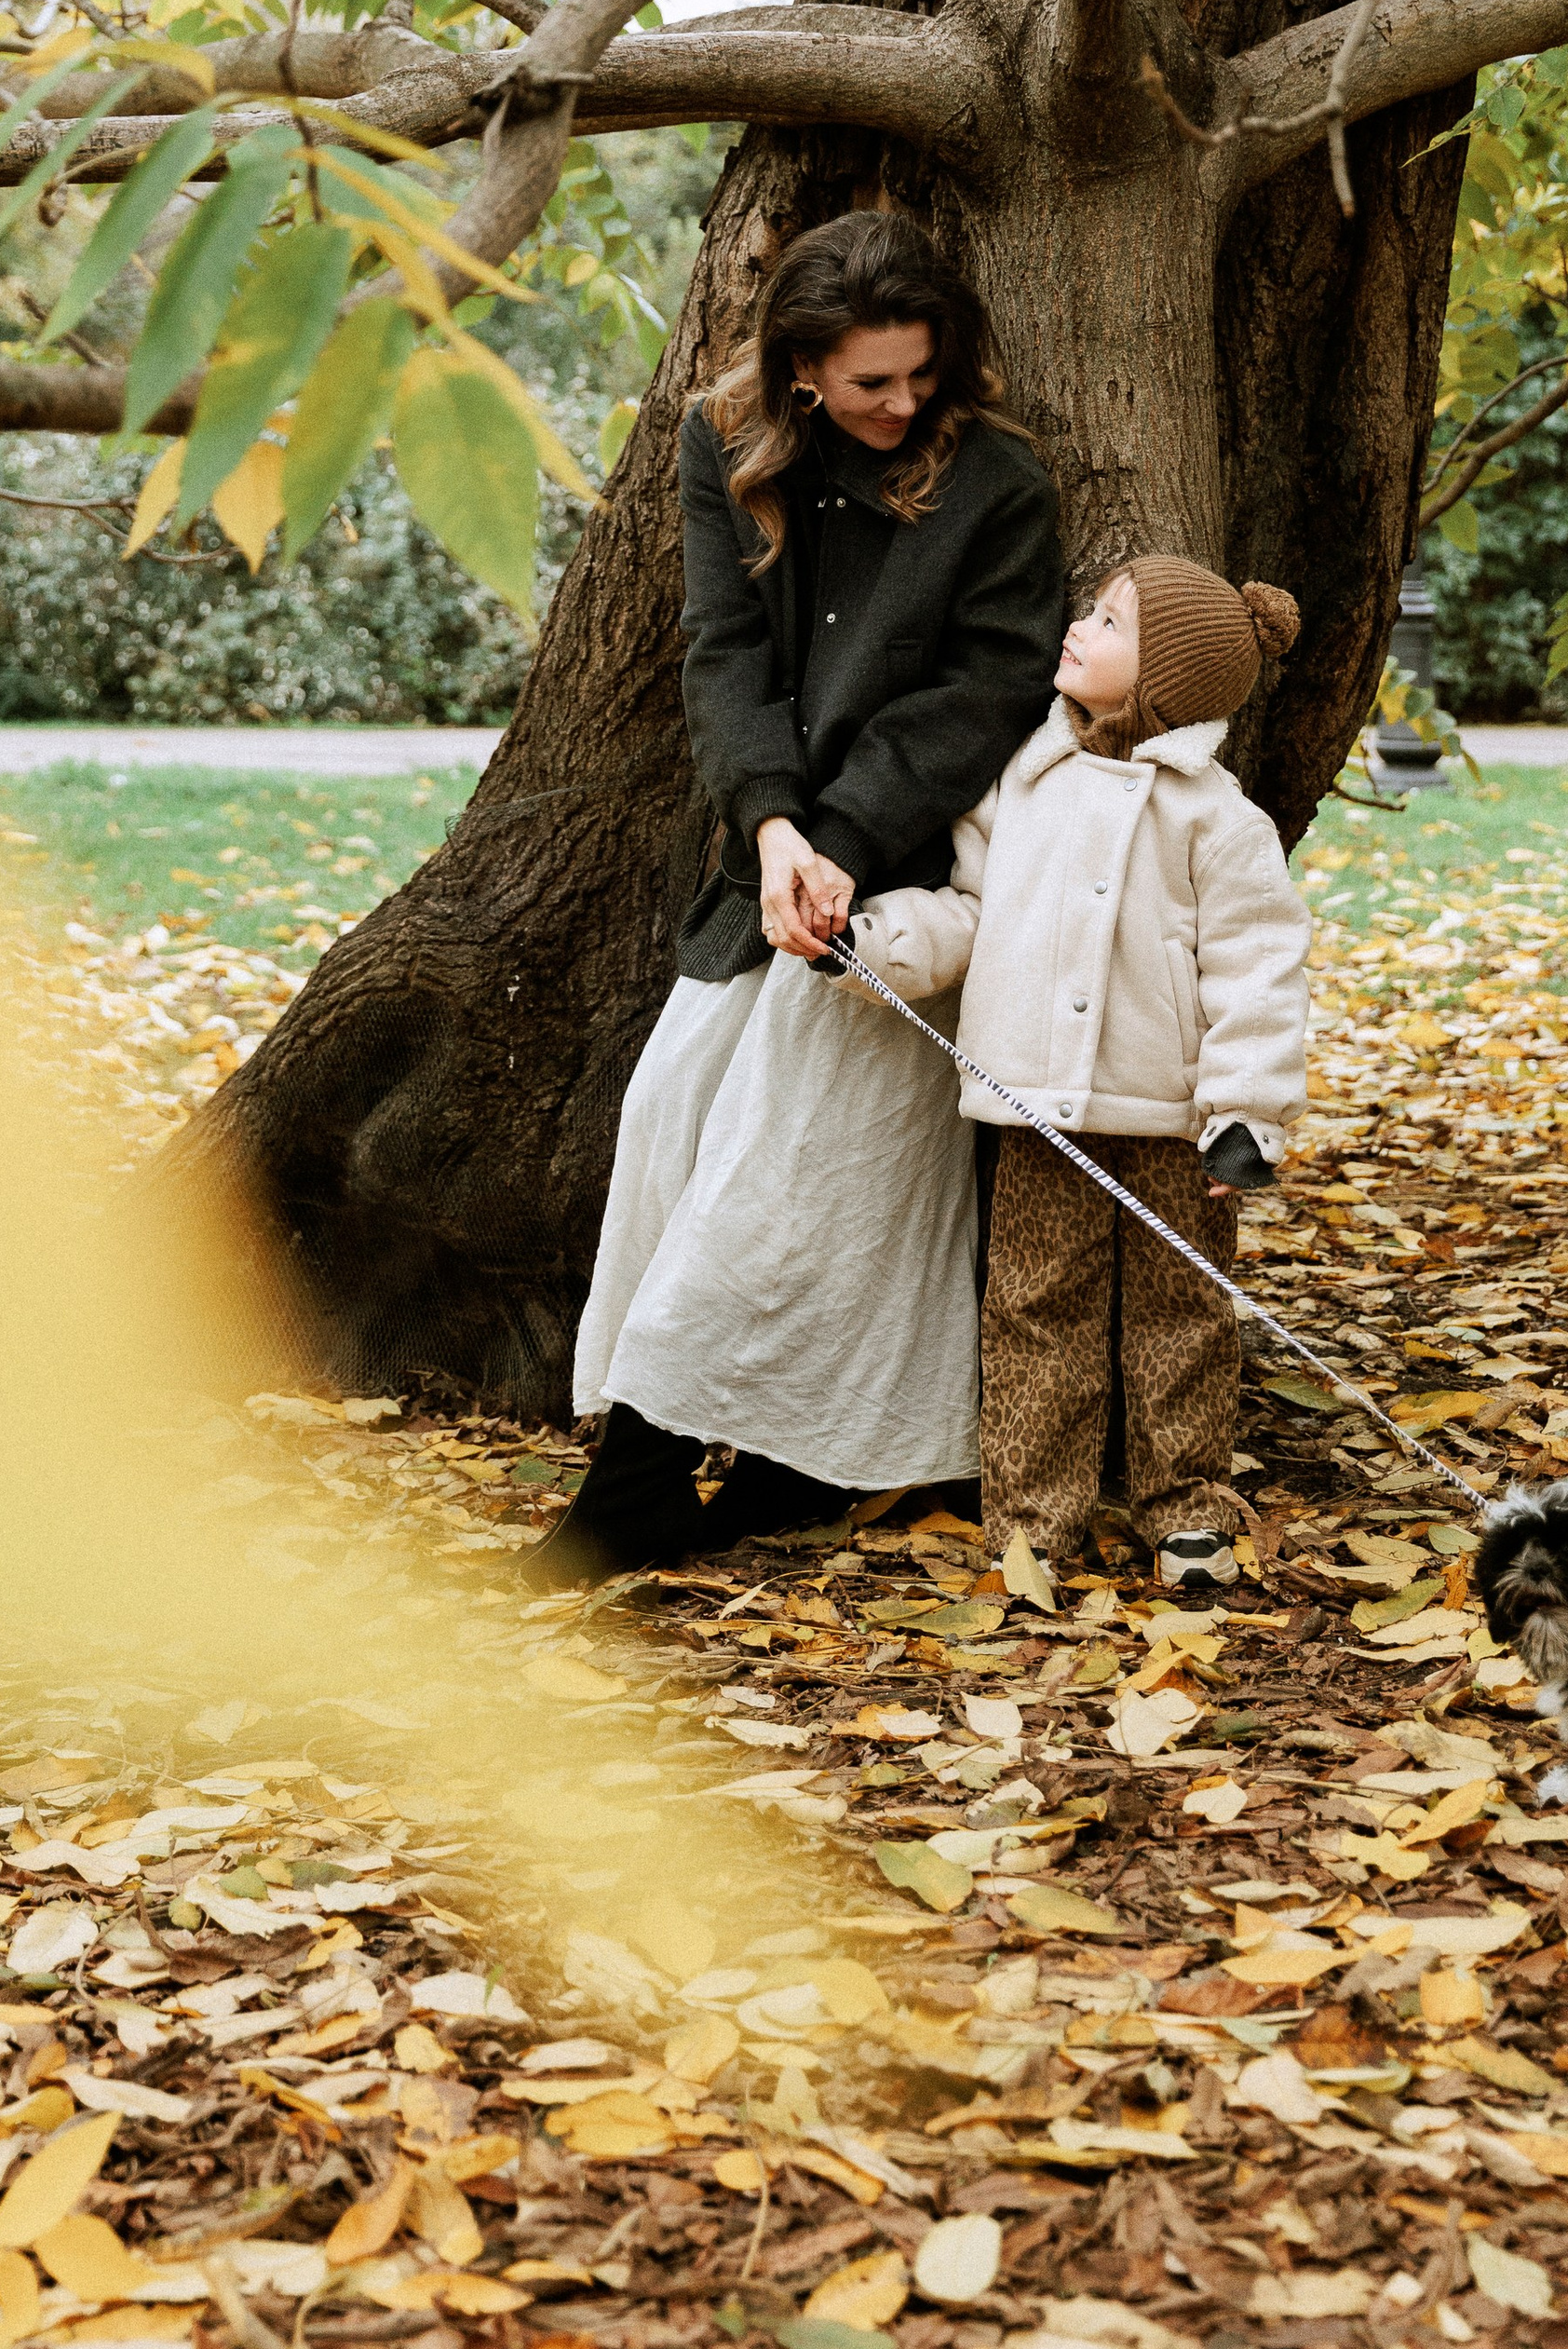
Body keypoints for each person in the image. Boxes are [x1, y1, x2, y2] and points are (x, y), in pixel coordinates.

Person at [520, 210, 1066, 1592]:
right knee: (672, 1125)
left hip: (904, 889)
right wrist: (769, 828)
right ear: (803, 368)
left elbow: (986, 691)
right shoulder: (727, 443)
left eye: (921, 374)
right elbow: (722, 651)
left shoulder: (995, 483)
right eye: (872, 381)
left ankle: (643, 1494)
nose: (905, 403)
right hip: (758, 866)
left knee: (794, 1179)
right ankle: (744, 1466)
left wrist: (834, 840)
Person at [842, 555, 1311, 1593]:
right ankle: (1029, 1517)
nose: (1080, 627)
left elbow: (1259, 969)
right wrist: (878, 945)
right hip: (1037, 1108)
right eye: (1091, 608)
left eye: (1111, 622)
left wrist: (1247, 1113)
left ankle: (1185, 1503)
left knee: (1180, 1313)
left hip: (1173, 1122)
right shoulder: (1027, 779)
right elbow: (970, 909)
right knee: (1032, 1308)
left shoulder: (1218, 821)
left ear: (1167, 681)